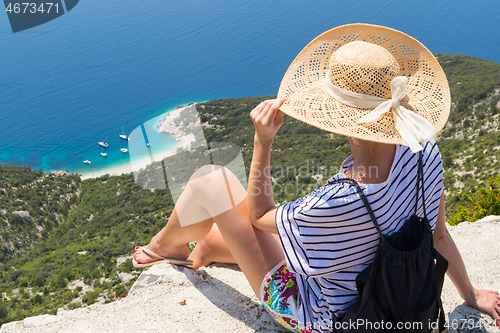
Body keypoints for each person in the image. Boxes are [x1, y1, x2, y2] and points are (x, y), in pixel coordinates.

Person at [133, 24, 500, 332]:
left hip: (326, 318)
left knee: (212, 182)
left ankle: (166, 248)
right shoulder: (425, 152)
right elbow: (438, 234)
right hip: (395, 296)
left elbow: (260, 216)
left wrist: (263, 142)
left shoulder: (336, 203)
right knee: (233, 232)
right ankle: (207, 248)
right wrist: (470, 296)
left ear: (341, 120)